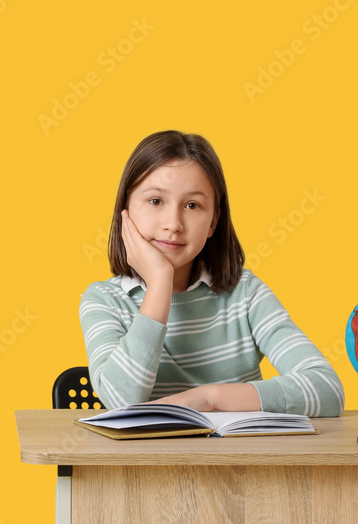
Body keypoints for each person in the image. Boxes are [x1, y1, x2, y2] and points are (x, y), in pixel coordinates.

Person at [79, 131, 343, 416]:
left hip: (239, 461)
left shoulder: (246, 293)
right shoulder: (104, 300)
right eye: (156, 201)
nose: (173, 224)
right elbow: (122, 402)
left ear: (213, 222)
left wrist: (209, 398)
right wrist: (159, 283)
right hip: (144, 462)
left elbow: (327, 390)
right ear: (125, 210)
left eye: (193, 205)